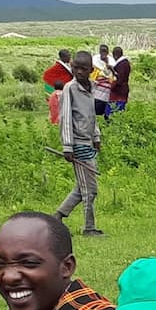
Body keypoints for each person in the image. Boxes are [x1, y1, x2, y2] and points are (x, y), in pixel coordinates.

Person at [54, 51, 102, 237]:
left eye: (84, 69)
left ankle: (58, 216)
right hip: (77, 144)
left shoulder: (92, 87)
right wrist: (67, 146)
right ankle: (89, 228)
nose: (79, 72)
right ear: (72, 68)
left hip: (88, 142)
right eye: (76, 68)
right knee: (90, 190)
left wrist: (96, 137)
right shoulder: (69, 88)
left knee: (82, 187)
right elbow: (65, 118)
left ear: (91, 70)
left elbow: (91, 116)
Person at [107, 45, 131, 118]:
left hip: (119, 91)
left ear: (115, 55)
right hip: (122, 90)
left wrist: (112, 86)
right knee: (117, 111)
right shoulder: (124, 63)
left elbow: (119, 79)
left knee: (112, 112)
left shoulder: (122, 64)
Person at [92, 43, 113, 116]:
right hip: (96, 94)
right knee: (96, 115)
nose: (103, 53)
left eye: (105, 51)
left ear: (107, 52)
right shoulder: (94, 61)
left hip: (107, 95)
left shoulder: (112, 62)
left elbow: (112, 76)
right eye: (102, 51)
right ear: (99, 51)